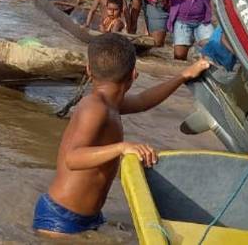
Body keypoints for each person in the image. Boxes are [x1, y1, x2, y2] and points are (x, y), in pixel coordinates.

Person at [32, 33, 210, 236]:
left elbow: (144, 101)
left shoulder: (110, 104)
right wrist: (122, 147)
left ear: (89, 69)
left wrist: (184, 75)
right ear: (134, 74)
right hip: (61, 218)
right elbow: (72, 158)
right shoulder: (94, 107)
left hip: (87, 217)